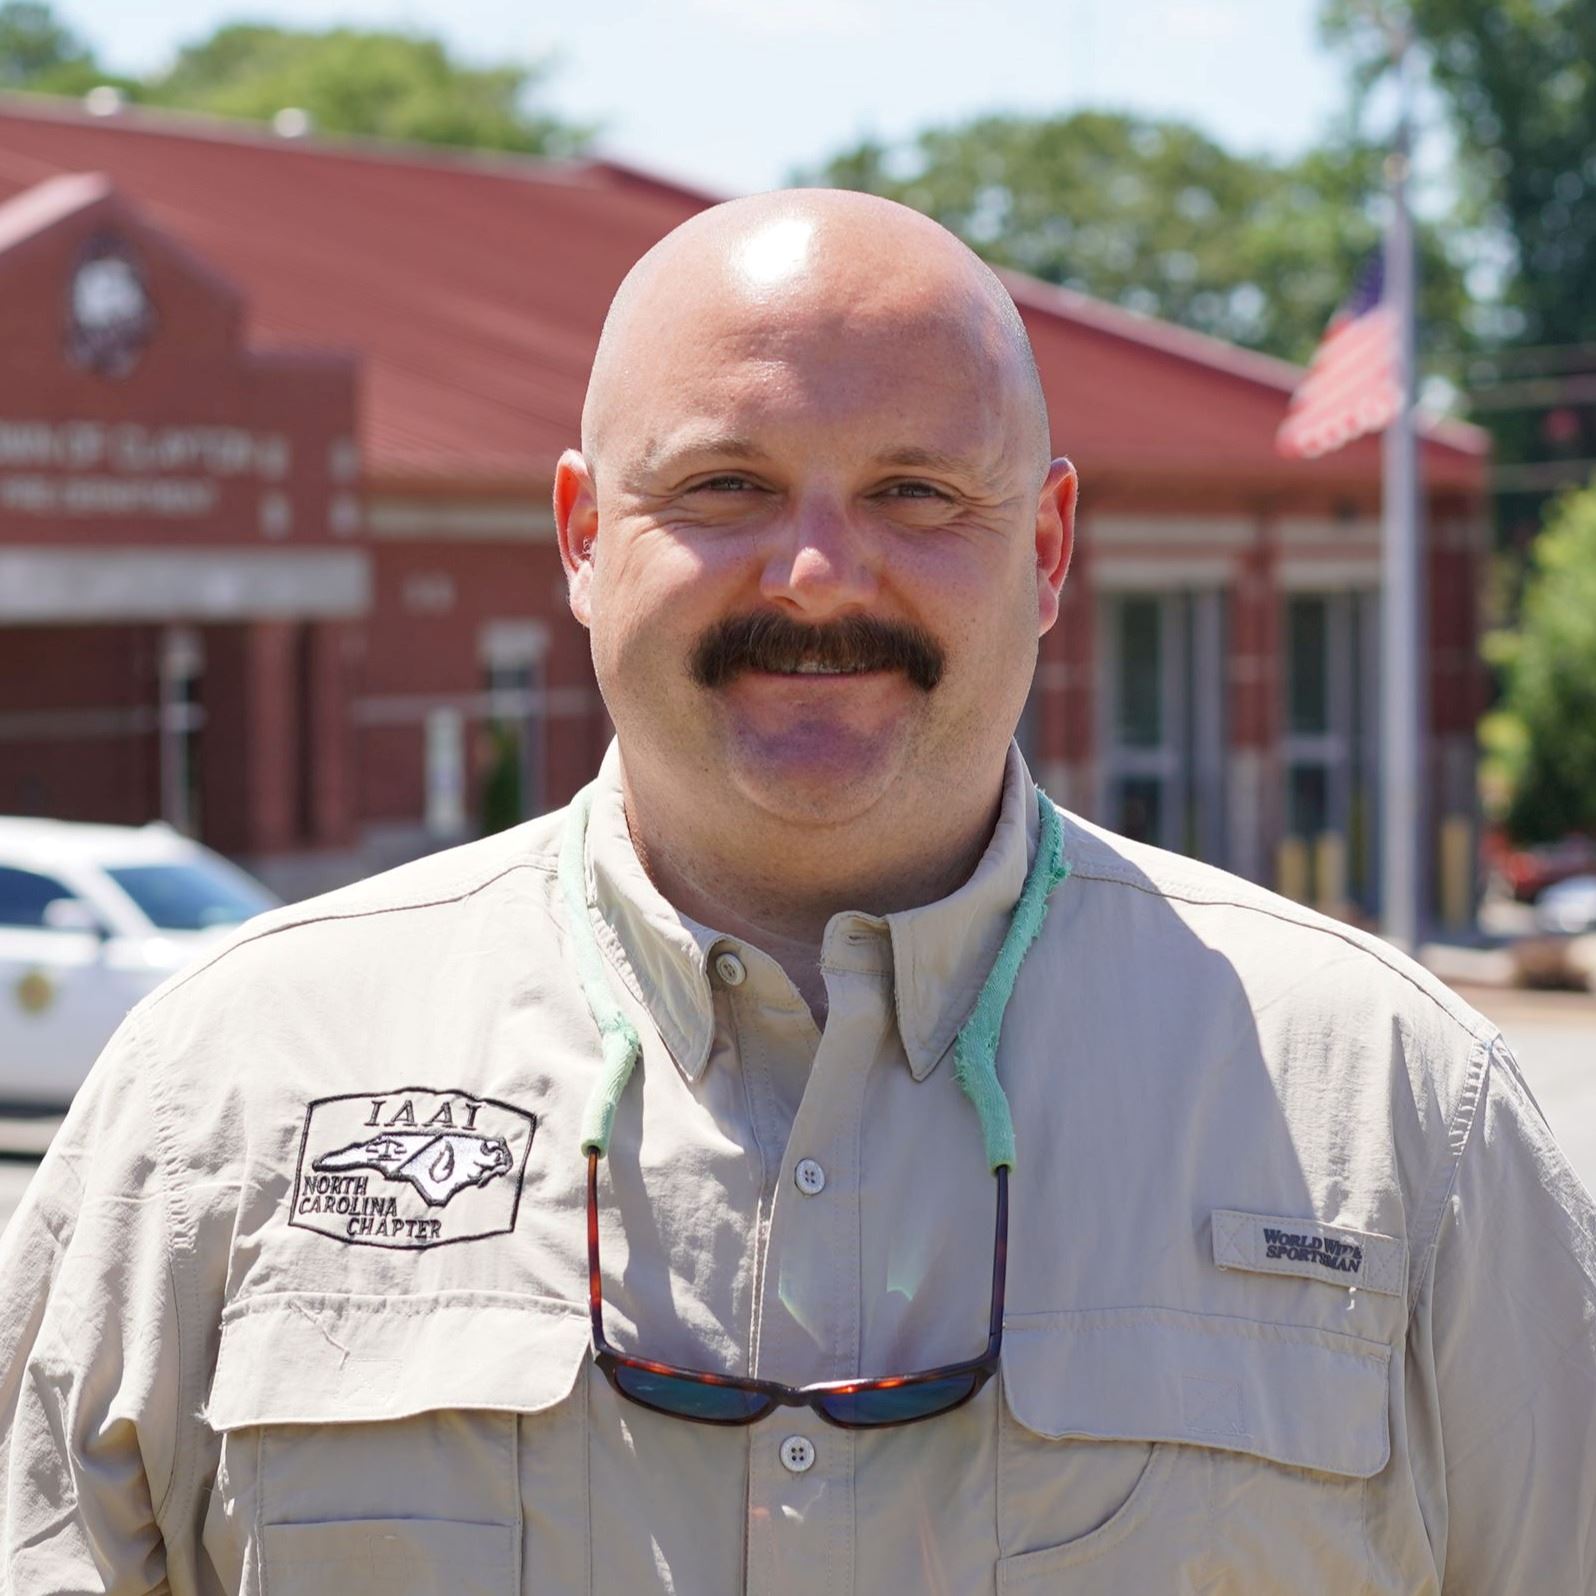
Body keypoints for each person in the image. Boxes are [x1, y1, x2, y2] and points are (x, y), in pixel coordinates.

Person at [1, 189, 1592, 1596]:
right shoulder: (226, 1090)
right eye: (724, 486)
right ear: (582, 536)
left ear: (1047, 549)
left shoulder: (1396, 1115)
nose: (818, 576)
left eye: (917, 493)